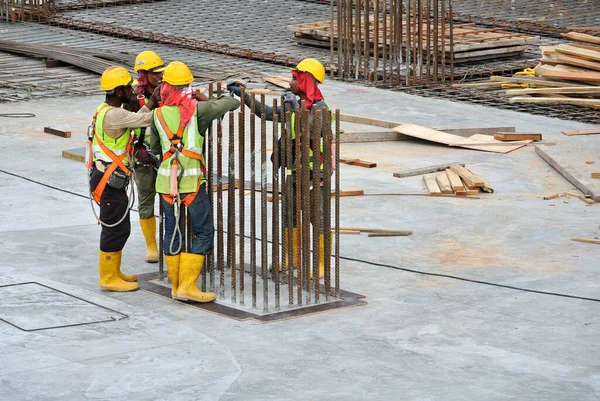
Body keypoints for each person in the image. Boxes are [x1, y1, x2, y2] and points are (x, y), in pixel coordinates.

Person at [227, 58, 332, 278]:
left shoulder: (322, 109)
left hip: (315, 173)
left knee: (317, 217)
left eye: (295, 78)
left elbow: (310, 131)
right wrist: (244, 95)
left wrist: (296, 109)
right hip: (293, 170)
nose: (290, 82)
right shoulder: (291, 105)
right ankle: (291, 258)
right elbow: (265, 113)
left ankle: (322, 264)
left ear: (307, 80)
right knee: (289, 216)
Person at [150, 61, 240, 302]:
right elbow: (232, 102)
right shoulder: (197, 110)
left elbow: (155, 147)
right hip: (191, 184)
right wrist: (207, 97)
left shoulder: (157, 114)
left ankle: (176, 286)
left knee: (172, 231)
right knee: (204, 232)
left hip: (166, 184)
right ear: (188, 86)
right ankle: (187, 286)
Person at [89, 66, 161, 292]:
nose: (132, 90)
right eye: (128, 87)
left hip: (107, 176)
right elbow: (145, 120)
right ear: (119, 92)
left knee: (120, 226)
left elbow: (136, 116)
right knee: (115, 229)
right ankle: (108, 278)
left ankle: (114, 271)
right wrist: (164, 106)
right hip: (108, 179)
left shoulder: (103, 110)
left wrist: (151, 102)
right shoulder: (115, 114)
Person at [130, 50, 166, 264]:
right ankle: (151, 246)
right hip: (143, 156)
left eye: (161, 72)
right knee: (146, 199)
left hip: (167, 154)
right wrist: (138, 149)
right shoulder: (134, 96)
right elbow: (129, 123)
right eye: (155, 73)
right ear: (144, 74)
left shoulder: (168, 92)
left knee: (171, 197)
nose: (159, 77)